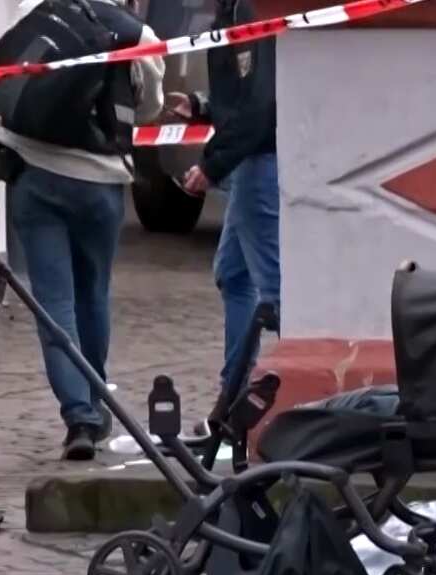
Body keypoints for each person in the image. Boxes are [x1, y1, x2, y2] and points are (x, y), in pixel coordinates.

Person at [0, 0, 164, 460]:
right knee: (93, 294)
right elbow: (150, 107)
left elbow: (7, 86)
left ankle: (79, 417)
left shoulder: (34, 11)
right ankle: (94, 397)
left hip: (34, 173)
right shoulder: (136, 32)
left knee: (54, 303)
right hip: (99, 182)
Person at [167, 0, 280, 401]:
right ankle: (234, 392)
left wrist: (213, 164)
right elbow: (247, 97)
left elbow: (260, 104)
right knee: (234, 274)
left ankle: (308, 389)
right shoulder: (232, 12)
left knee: (275, 291)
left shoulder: (251, 12)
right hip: (254, 159)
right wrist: (203, 106)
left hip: (260, 161)